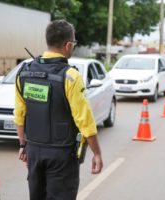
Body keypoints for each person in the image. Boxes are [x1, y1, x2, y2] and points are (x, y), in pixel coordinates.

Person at [14, 19, 103, 200]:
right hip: (61, 155)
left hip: (34, 151)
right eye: (74, 44)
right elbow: (84, 120)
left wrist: (23, 145)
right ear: (68, 45)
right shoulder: (70, 76)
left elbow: (19, 115)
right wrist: (97, 153)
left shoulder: (24, 72)